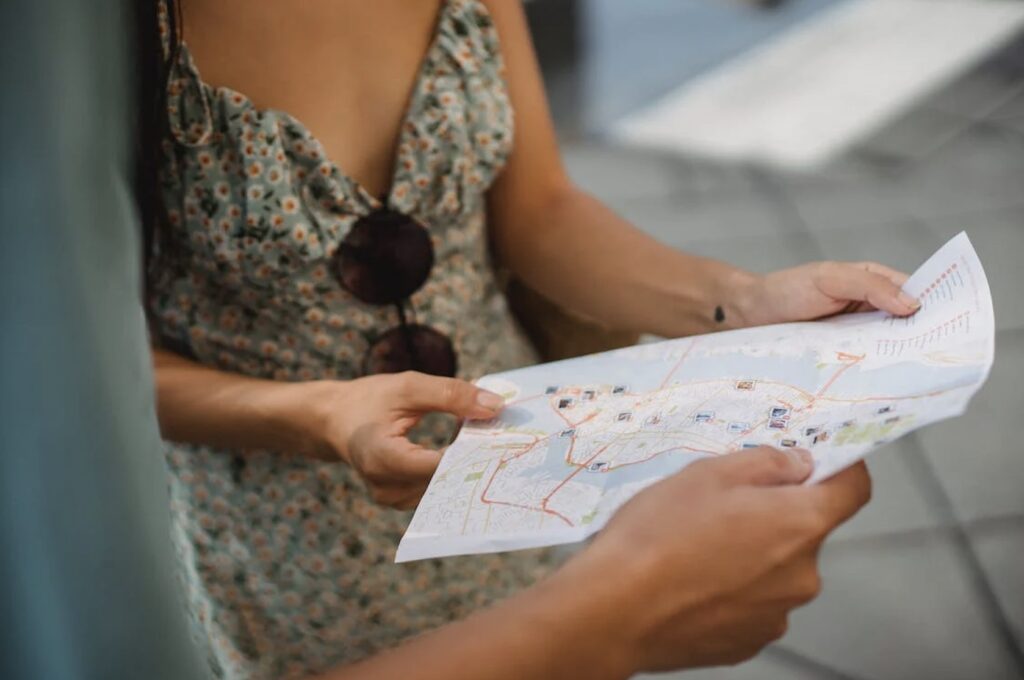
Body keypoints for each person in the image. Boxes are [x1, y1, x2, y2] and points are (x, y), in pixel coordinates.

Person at [136, 1, 918, 677]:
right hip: (282, 530)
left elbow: (538, 209)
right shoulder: (93, 33)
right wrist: (319, 418)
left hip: (508, 460)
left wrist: (743, 300)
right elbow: (78, 372)